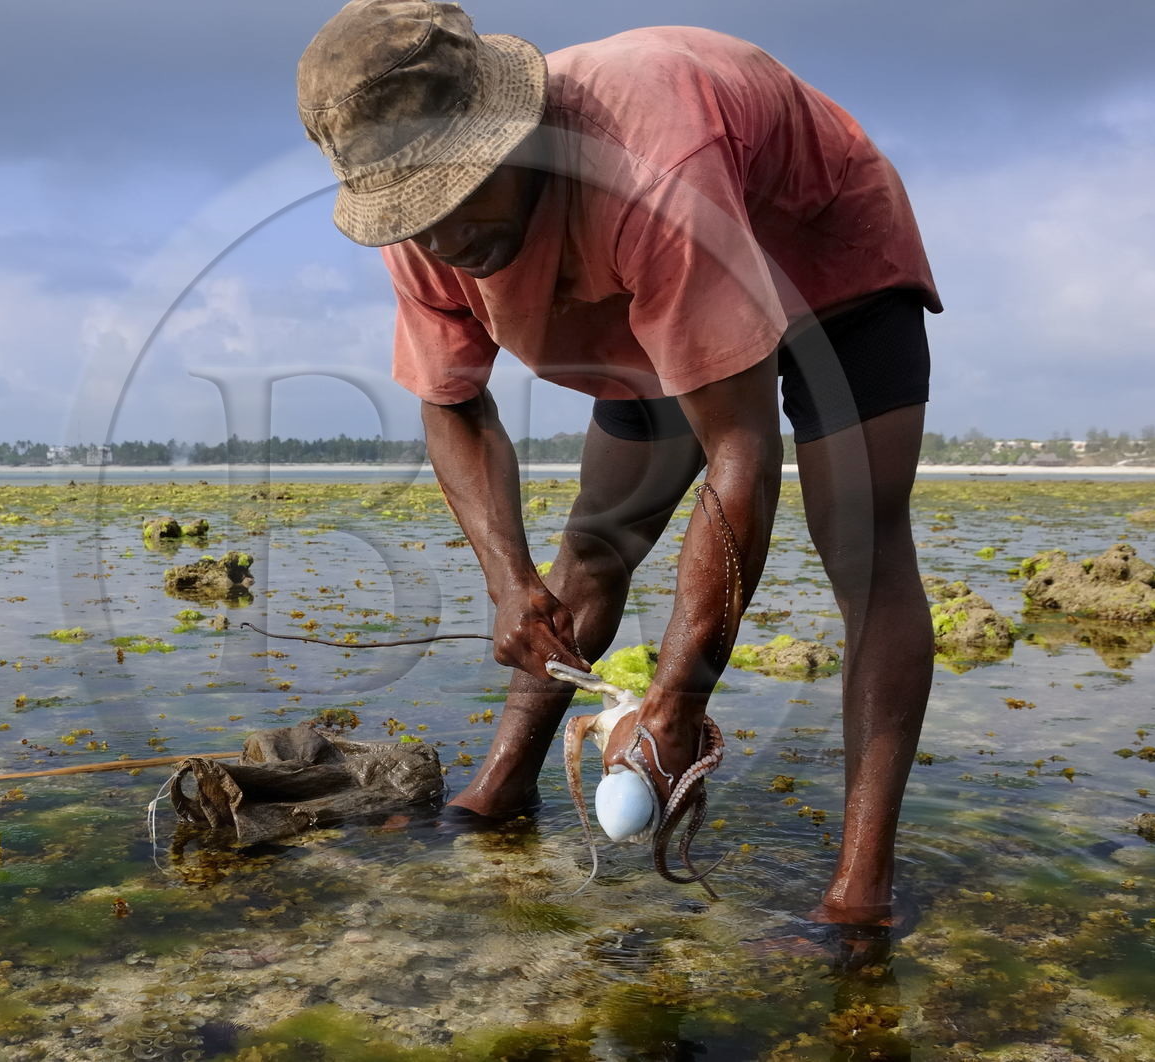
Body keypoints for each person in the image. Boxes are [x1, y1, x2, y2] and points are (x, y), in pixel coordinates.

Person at [298, 0, 939, 926]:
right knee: (593, 547)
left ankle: (860, 894)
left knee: (865, 552)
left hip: (825, 265)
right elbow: (453, 405)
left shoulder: (648, 166)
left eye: (452, 197)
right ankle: (501, 789)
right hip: (648, 304)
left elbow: (738, 450)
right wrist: (509, 581)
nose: (437, 239)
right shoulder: (428, 238)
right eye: (412, 214)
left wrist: (678, 698)